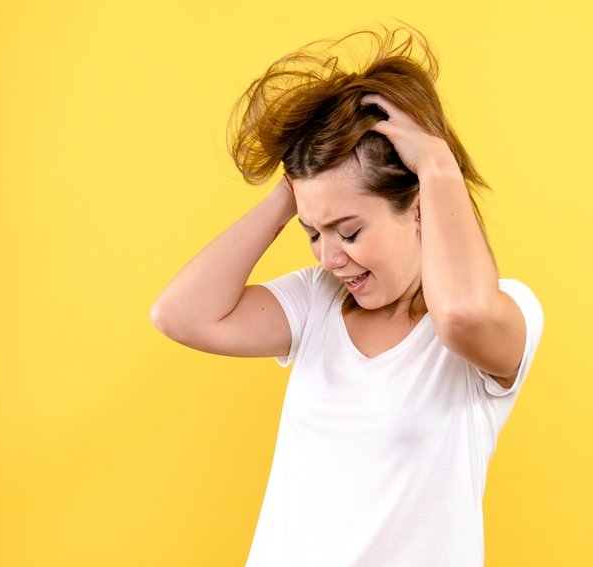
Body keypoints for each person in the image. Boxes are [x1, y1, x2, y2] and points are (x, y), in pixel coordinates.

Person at [151, 25, 545, 567]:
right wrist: (298, 192)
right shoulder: (317, 301)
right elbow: (180, 315)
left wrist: (436, 164)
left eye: (350, 231)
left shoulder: (501, 311)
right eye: (314, 235)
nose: (329, 258)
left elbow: (461, 315)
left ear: (420, 208)